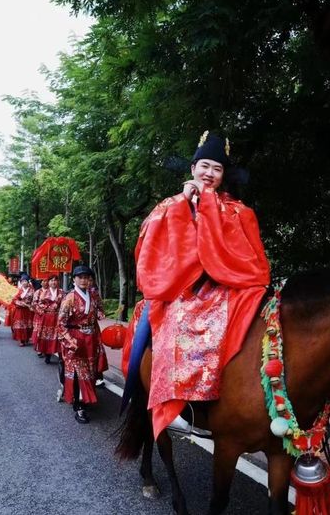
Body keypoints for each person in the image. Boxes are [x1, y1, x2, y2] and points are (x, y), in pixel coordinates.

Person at [133, 131, 270, 439]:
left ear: (223, 176)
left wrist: (207, 204)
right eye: (204, 166)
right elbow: (151, 244)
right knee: (175, 322)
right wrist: (183, 202)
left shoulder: (237, 210)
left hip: (226, 285)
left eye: (217, 169)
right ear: (193, 168)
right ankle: (172, 403)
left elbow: (244, 255)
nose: (209, 173)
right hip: (180, 287)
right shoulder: (170, 205)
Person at [56, 265, 106, 424]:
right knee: (78, 373)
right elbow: (61, 323)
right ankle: (79, 406)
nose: (84, 280)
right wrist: (70, 341)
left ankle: (86, 398)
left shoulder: (94, 295)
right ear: (74, 279)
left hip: (91, 338)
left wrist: (100, 313)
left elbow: (100, 310)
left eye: (87, 277)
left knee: (90, 371)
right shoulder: (69, 298)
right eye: (80, 277)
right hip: (75, 338)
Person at [31, 275, 64, 363]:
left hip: (58, 317)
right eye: (51, 280)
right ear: (49, 282)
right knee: (47, 335)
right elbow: (36, 304)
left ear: (58, 282)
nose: (53, 282)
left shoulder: (62, 292)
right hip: (46, 317)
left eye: (55, 280)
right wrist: (46, 310)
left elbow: (65, 304)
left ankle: (61, 357)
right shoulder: (43, 292)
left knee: (59, 336)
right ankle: (47, 354)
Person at [7, 274, 34, 346]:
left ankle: (26, 338)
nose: (24, 283)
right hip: (20, 310)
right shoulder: (18, 290)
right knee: (19, 324)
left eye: (25, 281)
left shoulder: (32, 290)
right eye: (22, 281)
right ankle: (20, 339)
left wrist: (31, 305)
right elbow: (14, 300)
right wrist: (22, 304)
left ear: (28, 282)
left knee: (28, 324)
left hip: (28, 310)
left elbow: (34, 299)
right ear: (21, 282)